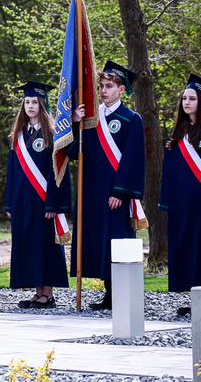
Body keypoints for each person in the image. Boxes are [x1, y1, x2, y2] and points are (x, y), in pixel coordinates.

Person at [71, 60, 146, 311]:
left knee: (117, 240)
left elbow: (133, 159)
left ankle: (120, 294)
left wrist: (120, 191)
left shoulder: (131, 119)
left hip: (115, 192)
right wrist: (75, 123)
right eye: (101, 86)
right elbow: (75, 152)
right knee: (99, 240)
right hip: (93, 190)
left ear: (122, 90)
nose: (103, 90)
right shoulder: (92, 118)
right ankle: (107, 294)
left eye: (109, 86)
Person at [5, 82, 72, 309]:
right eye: (27, 102)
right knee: (28, 245)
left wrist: (54, 203)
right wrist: (9, 203)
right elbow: (12, 172)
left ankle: (48, 294)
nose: (30, 106)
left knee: (45, 245)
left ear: (42, 105)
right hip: (23, 202)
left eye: (35, 102)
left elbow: (58, 173)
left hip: (44, 202)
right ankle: (36, 291)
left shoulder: (52, 135)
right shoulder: (19, 136)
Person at [159, 73, 201, 317]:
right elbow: (169, 169)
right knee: (186, 247)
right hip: (182, 204)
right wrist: (167, 200)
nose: (186, 102)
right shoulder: (177, 132)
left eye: (192, 98)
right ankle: (193, 296)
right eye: (184, 98)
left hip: (199, 203)